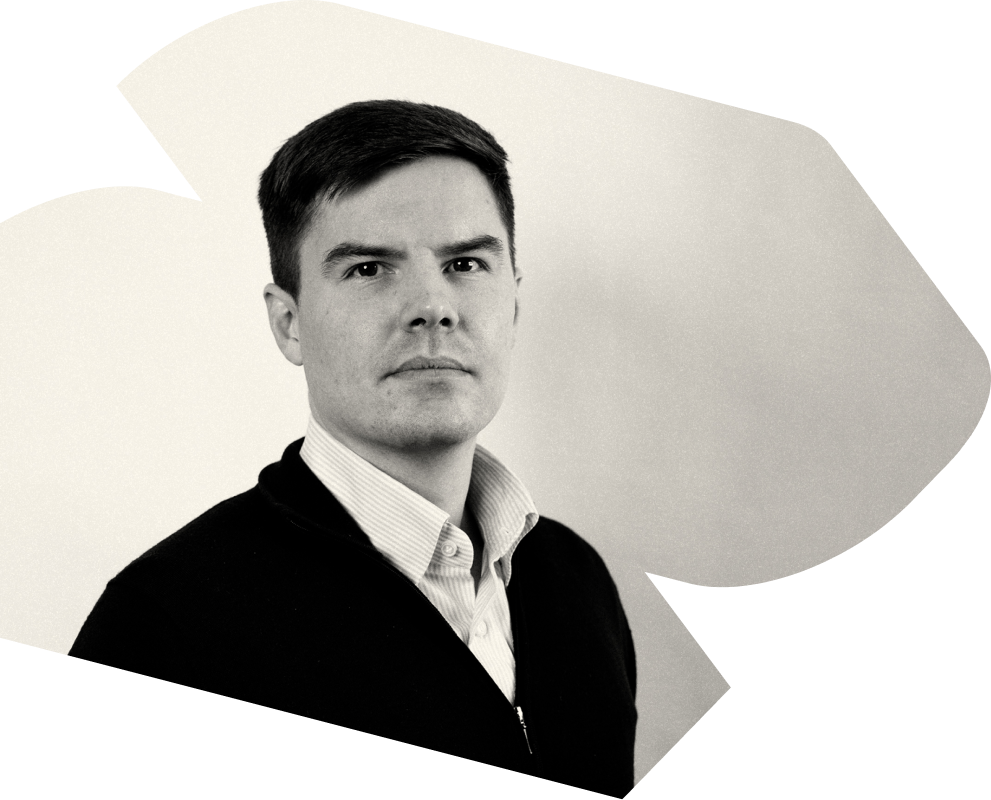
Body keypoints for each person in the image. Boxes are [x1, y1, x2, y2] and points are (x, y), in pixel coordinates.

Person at [70, 100, 636, 788]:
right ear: (289, 324)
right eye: (369, 269)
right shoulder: (166, 627)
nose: (433, 307)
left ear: (513, 304)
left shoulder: (577, 584)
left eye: (465, 263)